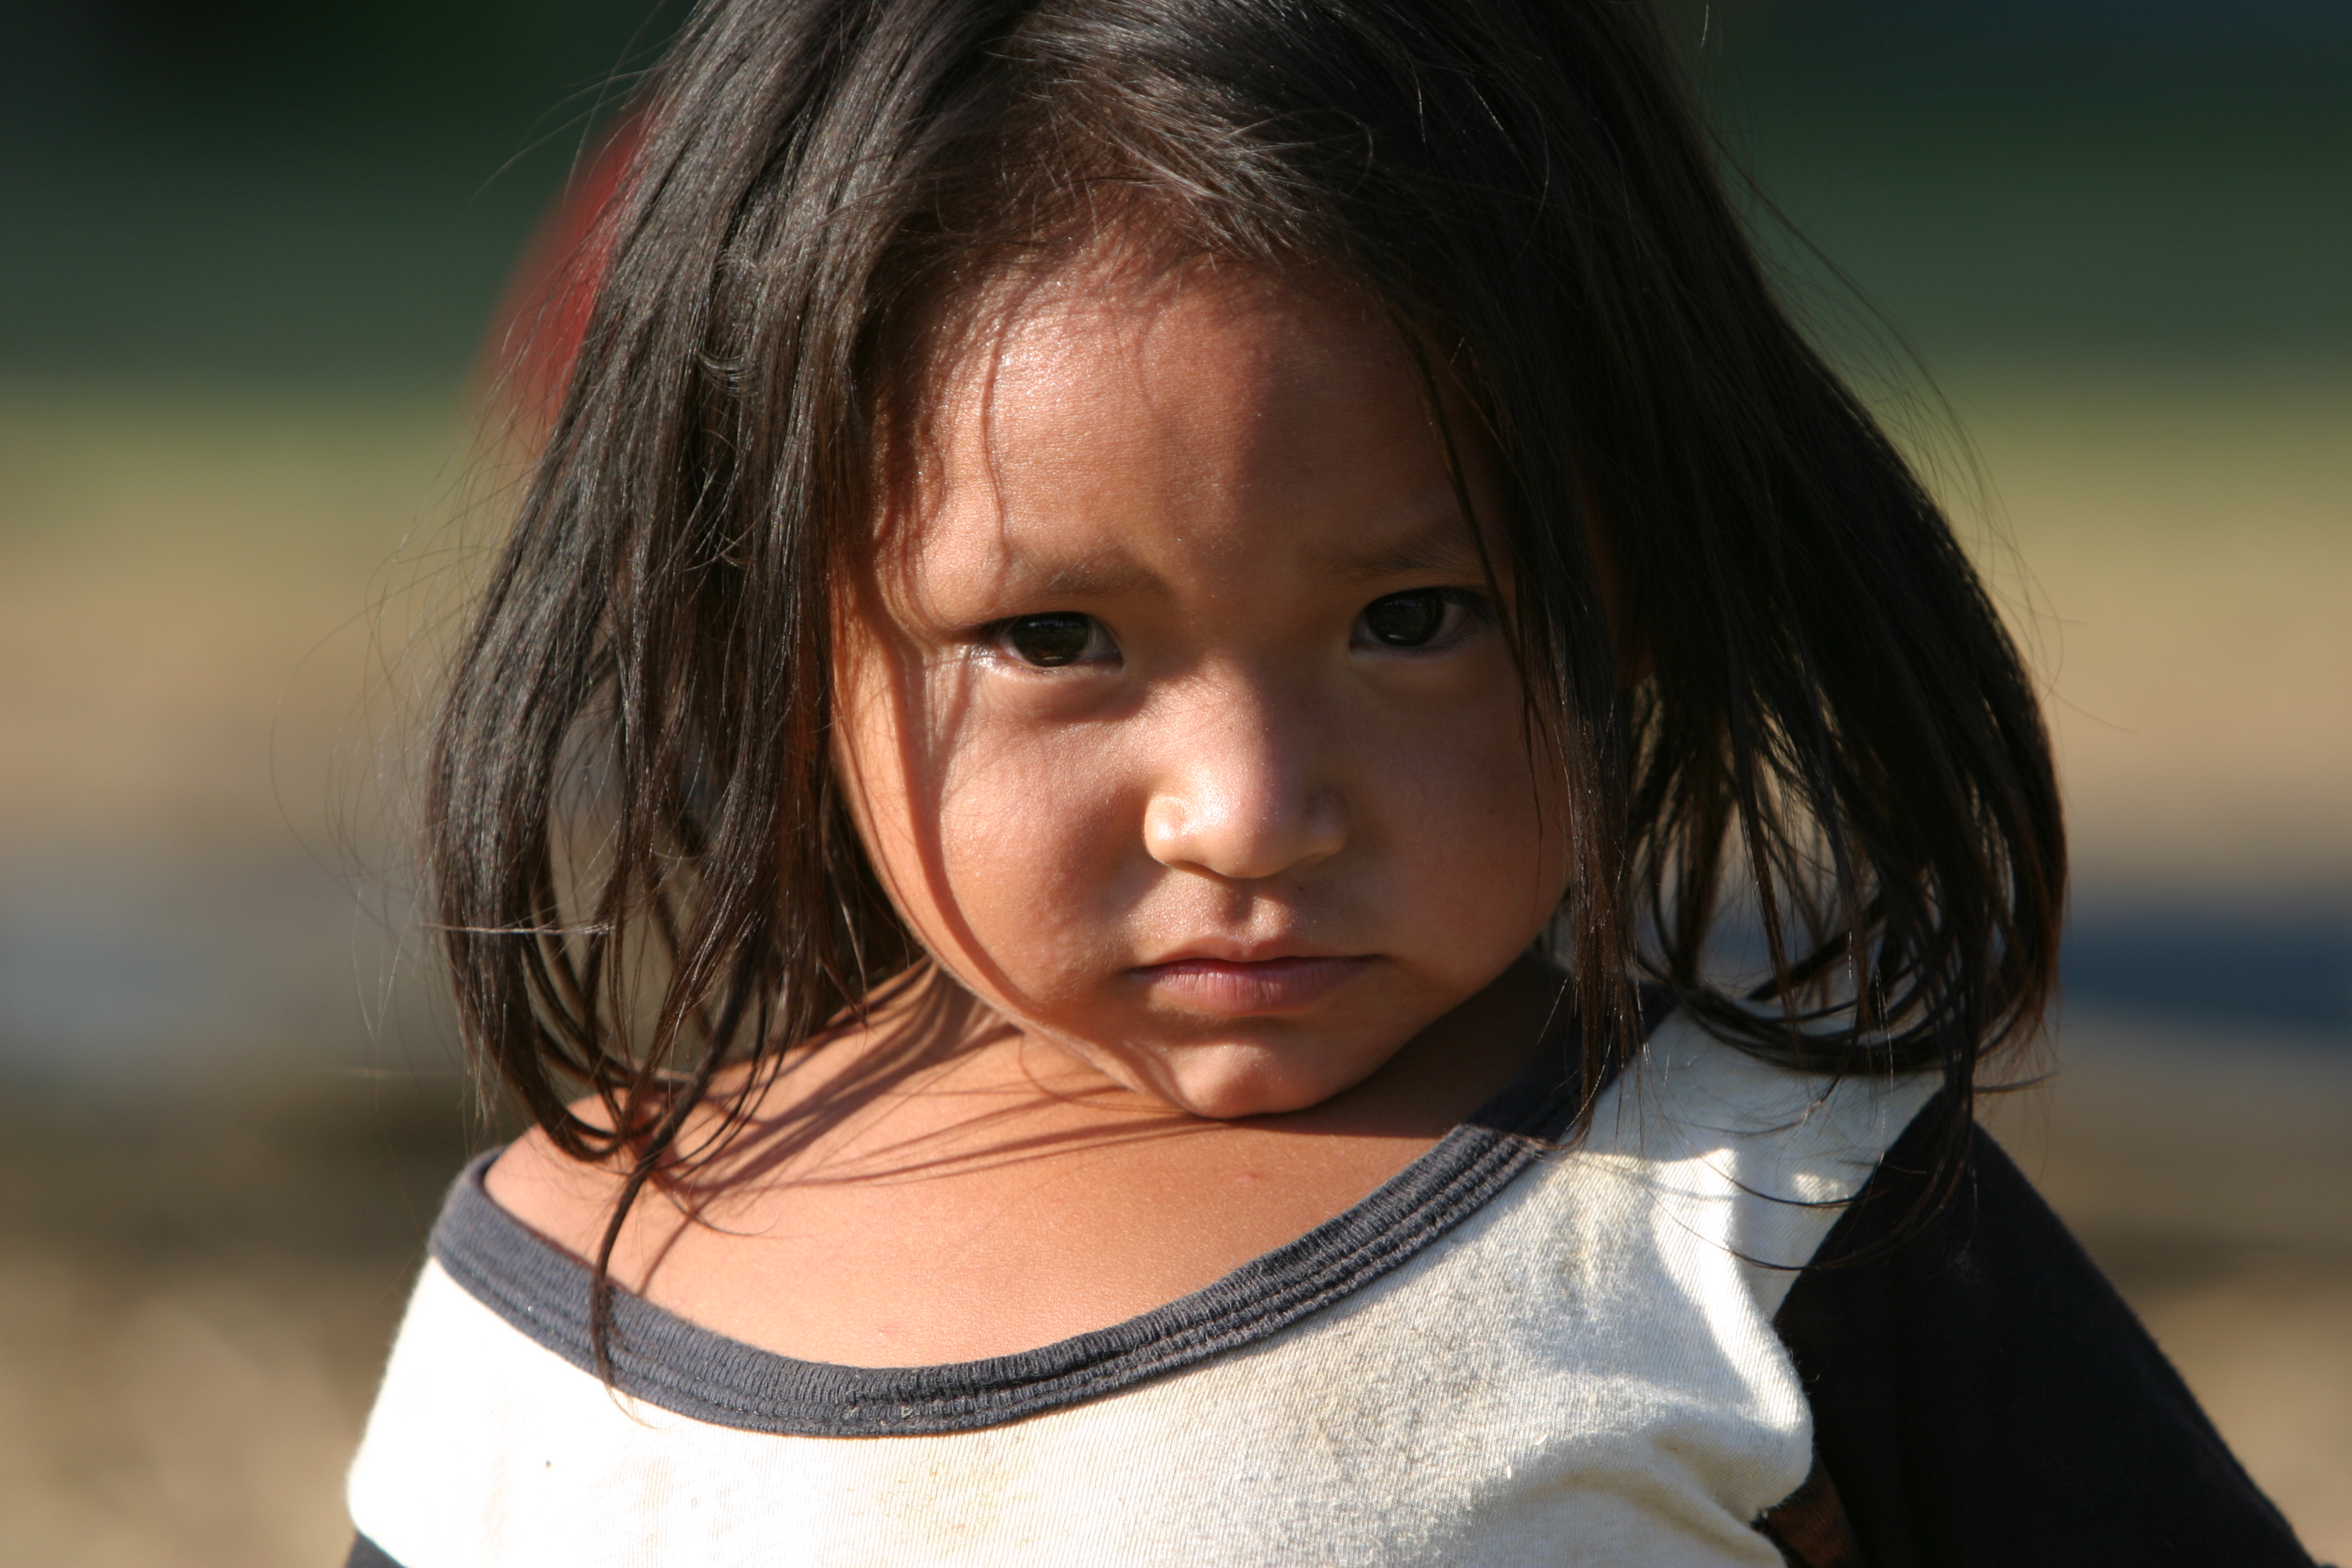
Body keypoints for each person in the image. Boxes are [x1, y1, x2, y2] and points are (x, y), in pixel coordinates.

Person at [344, 1, 2318, 1563]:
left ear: (1635, 586)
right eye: (1051, 640)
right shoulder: (554, 1300)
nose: (1251, 811)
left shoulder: (1775, 1224)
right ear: (775, 637)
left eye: (1419, 617)